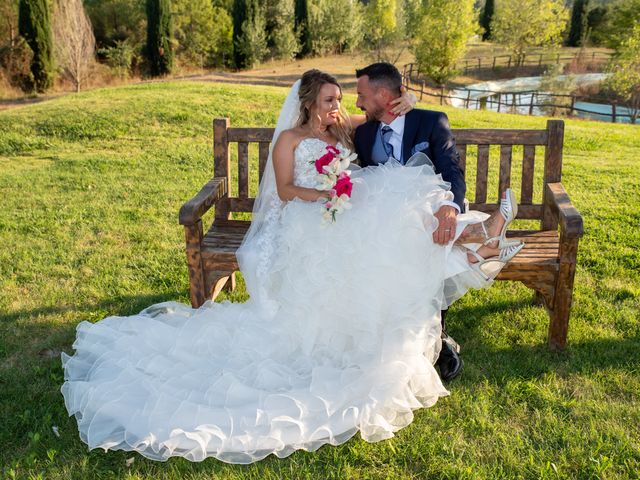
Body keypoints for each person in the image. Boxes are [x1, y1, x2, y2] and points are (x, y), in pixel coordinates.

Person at [61, 70, 522, 464]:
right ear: (308, 103)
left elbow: (383, 114)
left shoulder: (342, 132)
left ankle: (479, 237)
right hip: (308, 217)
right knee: (387, 219)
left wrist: (409, 100)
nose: (339, 105)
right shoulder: (290, 139)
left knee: (397, 200)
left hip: (340, 211)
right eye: (330, 99)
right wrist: (324, 193)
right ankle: (477, 245)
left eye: (341, 99)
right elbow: (283, 191)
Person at [353, 62, 508, 381]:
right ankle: (481, 238)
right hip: (389, 219)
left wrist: (450, 207)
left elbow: (452, 171)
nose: (357, 102)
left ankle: (432, 338)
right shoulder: (363, 132)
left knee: (425, 237)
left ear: (383, 94)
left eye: (362, 95)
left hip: (431, 211)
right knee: (405, 242)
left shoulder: (429, 121)